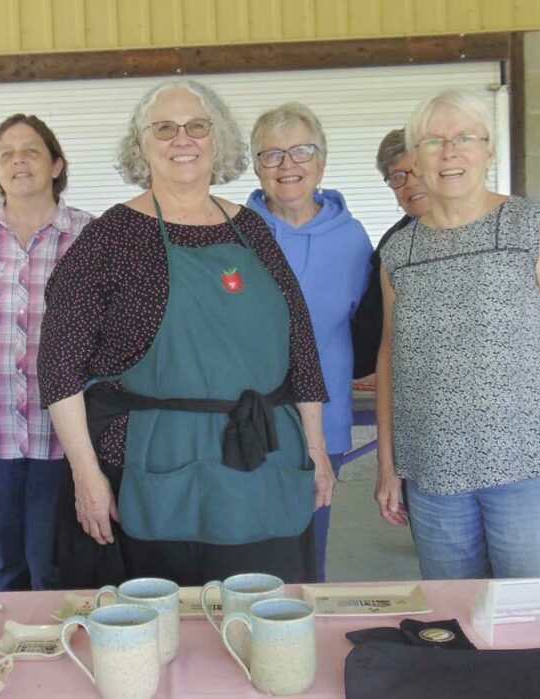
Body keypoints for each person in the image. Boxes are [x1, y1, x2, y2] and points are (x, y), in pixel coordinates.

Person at [38, 80, 334, 587]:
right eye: (165, 128)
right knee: (161, 628)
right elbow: (59, 365)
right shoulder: (112, 236)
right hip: (152, 464)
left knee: (261, 617)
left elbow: (300, 346)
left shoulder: (251, 228)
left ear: (217, 141)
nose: (183, 140)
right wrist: (85, 475)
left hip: (261, 458)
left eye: (198, 126)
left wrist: (316, 447)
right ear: (141, 145)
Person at [374, 89, 540, 579]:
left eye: (465, 138)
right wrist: (388, 464)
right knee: (458, 634)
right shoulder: (398, 251)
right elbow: (392, 359)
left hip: (532, 472)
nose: (450, 152)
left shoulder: (533, 226)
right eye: (434, 141)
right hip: (435, 482)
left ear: (488, 150)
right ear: (415, 158)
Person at [0, 114, 93, 592]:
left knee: (56, 569)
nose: (18, 161)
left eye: (30, 150)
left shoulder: (91, 237)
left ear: (56, 164)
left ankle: (58, 660)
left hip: (65, 435)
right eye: (5, 154)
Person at [245, 102, 372, 582]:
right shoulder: (236, 232)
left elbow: (365, 325)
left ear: (321, 161)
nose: (287, 166)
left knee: (309, 557)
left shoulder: (353, 238)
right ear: (256, 167)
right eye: (272, 155)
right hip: (251, 421)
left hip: (329, 420)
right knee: (251, 554)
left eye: (301, 151)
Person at [351, 128, 434, 379]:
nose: (410, 182)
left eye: (418, 170)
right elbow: (371, 327)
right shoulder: (393, 245)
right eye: (397, 176)